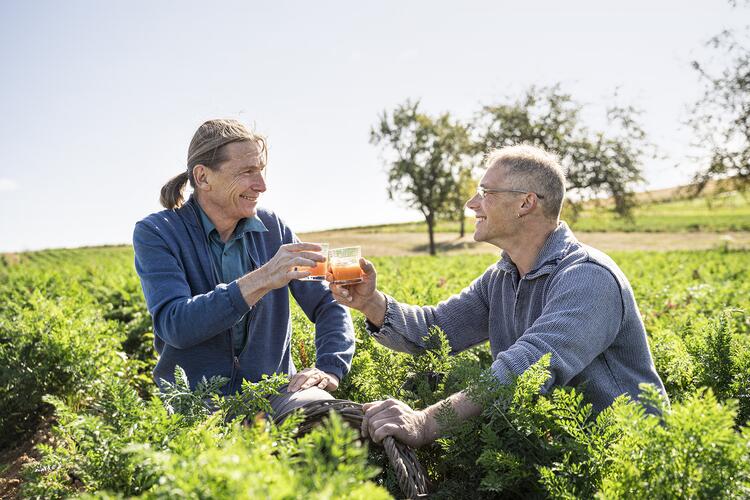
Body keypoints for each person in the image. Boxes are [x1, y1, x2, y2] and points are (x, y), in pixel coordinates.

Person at [329, 144, 667, 448]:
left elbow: (525, 367)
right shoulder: (502, 278)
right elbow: (436, 330)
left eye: (485, 192)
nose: (471, 203)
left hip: (629, 460)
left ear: (525, 202)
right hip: (560, 456)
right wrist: (370, 303)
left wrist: (426, 421)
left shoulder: (589, 277)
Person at [133, 119, 354, 416]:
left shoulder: (273, 228)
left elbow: (328, 301)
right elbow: (176, 325)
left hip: (274, 395)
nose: (261, 185)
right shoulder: (157, 232)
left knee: (332, 419)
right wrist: (264, 278)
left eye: (260, 170)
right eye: (247, 172)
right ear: (203, 177)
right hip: (197, 404)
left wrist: (330, 366)